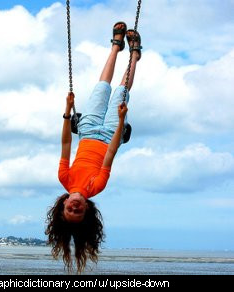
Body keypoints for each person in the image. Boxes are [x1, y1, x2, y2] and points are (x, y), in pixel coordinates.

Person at [45, 22, 142, 273]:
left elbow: (66, 143)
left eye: (70, 210)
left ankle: (115, 47)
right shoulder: (96, 187)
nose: (75, 207)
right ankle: (134, 54)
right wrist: (121, 120)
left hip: (86, 131)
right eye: (79, 212)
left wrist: (67, 111)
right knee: (121, 90)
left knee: (101, 86)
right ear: (86, 210)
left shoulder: (64, 178)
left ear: (64, 204)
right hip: (111, 133)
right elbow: (110, 153)